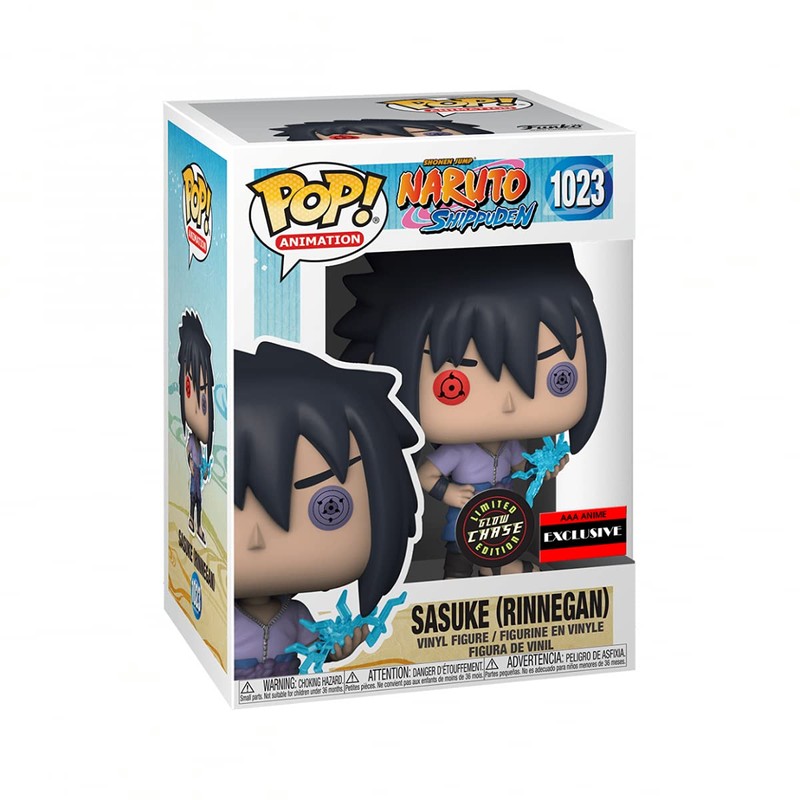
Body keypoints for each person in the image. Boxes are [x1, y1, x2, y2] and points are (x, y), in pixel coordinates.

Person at [335, 243, 606, 577]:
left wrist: (545, 469)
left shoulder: (511, 447)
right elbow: (425, 475)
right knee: (458, 569)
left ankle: (505, 574)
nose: (508, 403)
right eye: (453, 385)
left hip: (505, 527)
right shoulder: (457, 452)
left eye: (557, 377)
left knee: (502, 561)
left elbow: (524, 469)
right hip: (463, 530)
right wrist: (448, 492)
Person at [233, 341, 421, 678]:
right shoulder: (222, 616)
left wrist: (340, 647)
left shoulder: (296, 614)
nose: (256, 538)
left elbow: (320, 651)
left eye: (323, 505)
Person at [177, 311, 215, 546]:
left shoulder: (200, 446)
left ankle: (197, 524)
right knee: (194, 500)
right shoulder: (192, 441)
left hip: (198, 480)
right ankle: (192, 522)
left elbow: (204, 466)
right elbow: (187, 454)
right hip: (194, 481)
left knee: (198, 502)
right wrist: (191, 465)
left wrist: (204, 471)